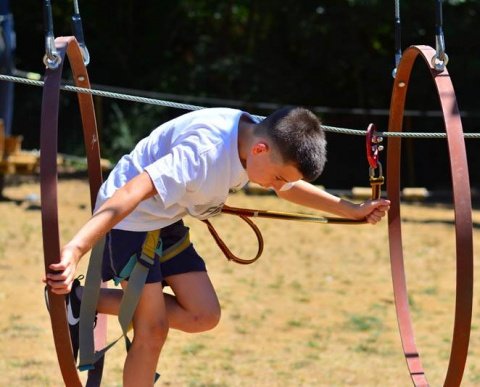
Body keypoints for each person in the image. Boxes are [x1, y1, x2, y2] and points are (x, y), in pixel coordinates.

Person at [44, 106, 390, 386]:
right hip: (130, 219)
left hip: (166, 216)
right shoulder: (203, 153)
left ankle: (80, 300)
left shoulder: (259, 141)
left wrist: (350, 210)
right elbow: (130, 194)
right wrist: (75, 250)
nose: (277, 186)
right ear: (260, 149)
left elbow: (288, 187)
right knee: (153, 330)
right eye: (278, 177)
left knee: (203, 315)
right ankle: (82, 300)